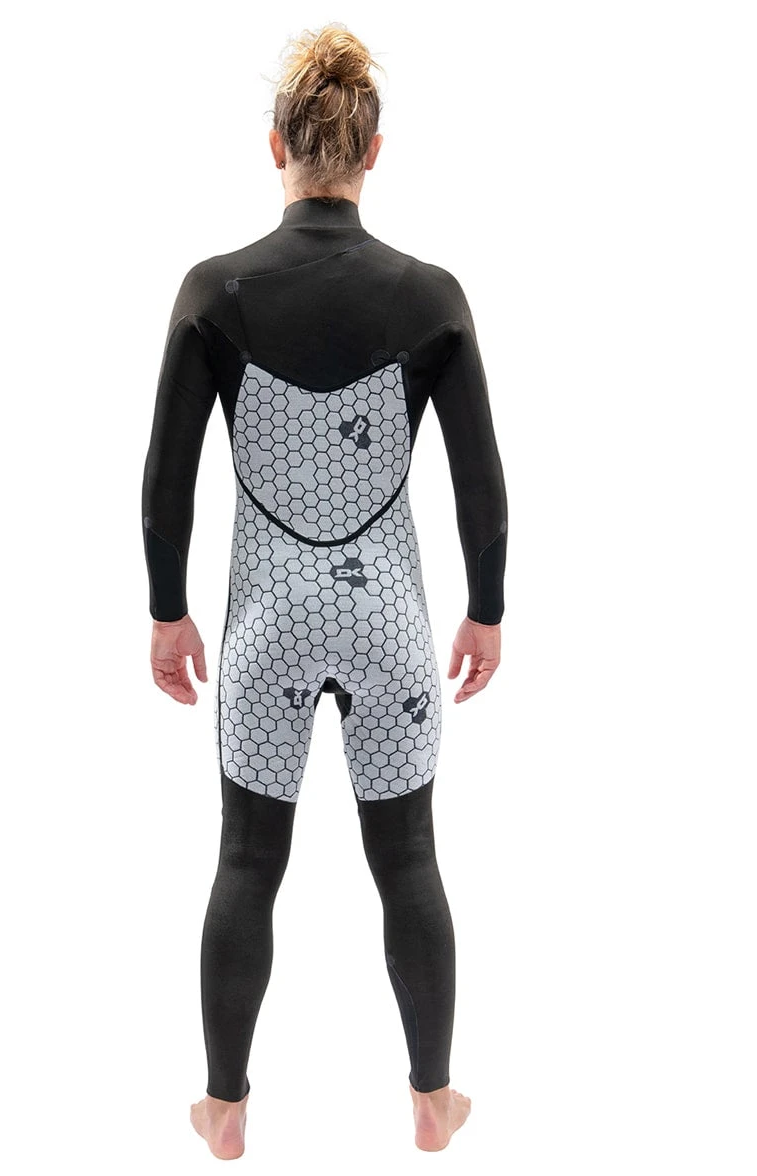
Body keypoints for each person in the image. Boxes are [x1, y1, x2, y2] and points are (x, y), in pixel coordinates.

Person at [141, 23, 508, 1159]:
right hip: (391, 621)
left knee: (248, 862)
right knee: (410, 862)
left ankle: (225, 1109)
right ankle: (433, 1101)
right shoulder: (433, 296)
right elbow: (482, 479)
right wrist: (487, 607)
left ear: (276, 147)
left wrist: (167, 609)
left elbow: (165, 478)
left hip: (266, 625)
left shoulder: (214, 291)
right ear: (373, 154)